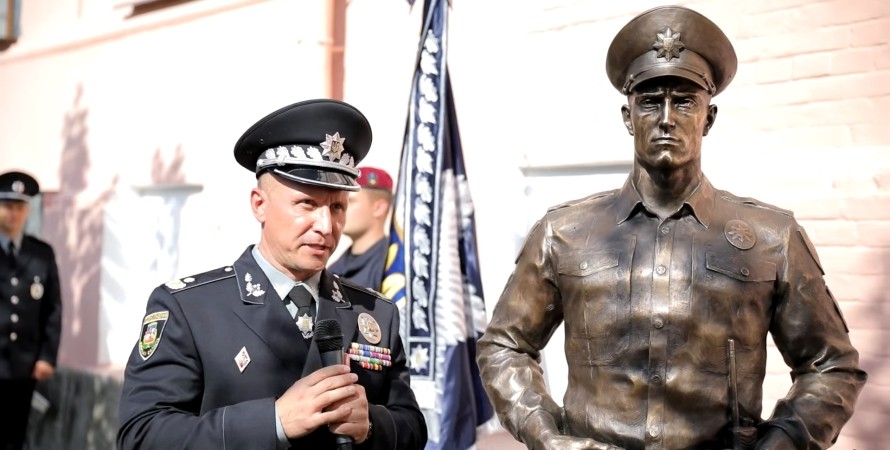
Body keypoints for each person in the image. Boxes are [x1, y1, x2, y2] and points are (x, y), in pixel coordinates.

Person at [476, 6, 866, 450]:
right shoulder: (562, 233)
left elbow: (831, 365)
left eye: (683, 101)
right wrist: (546, 437)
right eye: (649, 101)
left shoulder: (772, 238)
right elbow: (504, 345)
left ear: (708, 118)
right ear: (628, 117)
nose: (666, 117)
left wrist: (782, 442)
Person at [117, 99, 427, 450]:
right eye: (307, 204)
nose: (326, 226)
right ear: (259, 204)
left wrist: (370, 425)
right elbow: (142, 435)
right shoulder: (190, 309)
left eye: (337, 207)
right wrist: (274, 421)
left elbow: (412, 427)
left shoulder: (375, 313)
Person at [0, 170, 62, 450]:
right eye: (7, 206)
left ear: (27, 210)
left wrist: (47, 357)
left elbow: (53, 308)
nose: (14, 214)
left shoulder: (41, 254)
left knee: (15, 436)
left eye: (20, 207)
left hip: (24, 366)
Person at [328, 166, 393, 291]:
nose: (340, 210)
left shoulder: (391, 267)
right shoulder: (335, 267)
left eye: (350, 202)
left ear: (379, 208)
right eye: (338, 204)